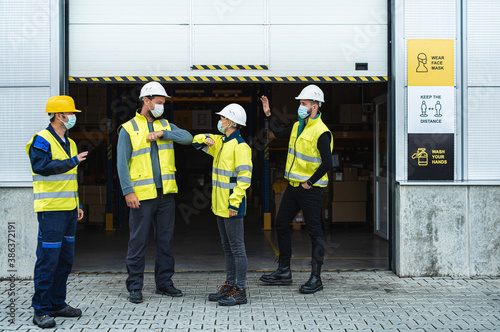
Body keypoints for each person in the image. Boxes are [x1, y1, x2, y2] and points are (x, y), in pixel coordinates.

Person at [117, 82, 193, 304]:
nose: (161, 106)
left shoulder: (167, 125)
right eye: (159, 102)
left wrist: (163, 133)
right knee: (138, 242)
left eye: (163, 103)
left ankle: (164, 283)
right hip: (141, 196)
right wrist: (127, 192)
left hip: (166, 194)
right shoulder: (128, 128)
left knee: (165, 241)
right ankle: (134, 286)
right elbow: (122, 164)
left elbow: (188, 138)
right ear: (146, 101)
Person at [259, 85, 333, 294]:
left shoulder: (321, 132)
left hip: (310, 189)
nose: (300, 107)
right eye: (300, 103)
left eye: (303, 104)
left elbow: (327, 163)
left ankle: (316, 278)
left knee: (314, 232)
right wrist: (268, 113)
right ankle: (284, 271)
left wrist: (309, 182)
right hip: (293, 187)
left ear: (315, 106)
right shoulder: (298, 126)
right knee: (281, 224)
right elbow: (279, 132)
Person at [26, 95, 88, 328]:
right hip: (51, 211)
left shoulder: (70, 142)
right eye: (71, 114)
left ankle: (57, 304)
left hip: (69, 210)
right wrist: (72, 161)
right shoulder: (41, 140)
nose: (73, 117)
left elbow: (70, 180)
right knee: (48, 260)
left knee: (64, 260)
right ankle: (40, 310)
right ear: (59, 115)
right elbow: (40, 167)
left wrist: (78, 204)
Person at [192, 104, 252, 306]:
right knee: (228, 248)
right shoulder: (220, 142)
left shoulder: (241, 147)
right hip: (219, 206)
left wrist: (234, 203)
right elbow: (196, 142)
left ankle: (240, 290)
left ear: (231, 122)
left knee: (237, 248)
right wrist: (205, 139)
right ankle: (230, 285)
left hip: (232, 206)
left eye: (222, 118)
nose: (219, 120)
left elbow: (244, 179)